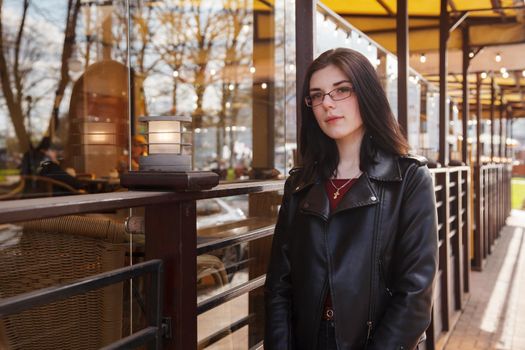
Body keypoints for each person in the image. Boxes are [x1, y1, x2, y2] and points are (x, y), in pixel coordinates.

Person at [264, 48, 438, 350]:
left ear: (367, 93)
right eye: (316, 95)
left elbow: (415, 293)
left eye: (341, 90)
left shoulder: (408, 178)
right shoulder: (300, 183)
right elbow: (279, 286)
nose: (327, 103)